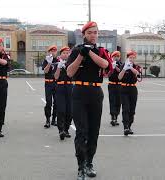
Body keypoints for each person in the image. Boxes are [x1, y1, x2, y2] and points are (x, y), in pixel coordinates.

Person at [66, 21, 111, 180]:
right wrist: (81, 55)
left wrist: (90, 53)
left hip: (95, 92)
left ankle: (89, 163)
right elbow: (70, 72)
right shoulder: (76, 50)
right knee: (82, 131)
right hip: (79, 92)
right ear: (84, 34)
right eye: (90, 32)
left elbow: (105, 65)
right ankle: (80, 167)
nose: (93, 35)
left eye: (95, 32)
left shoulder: (101, 51)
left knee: (94, 131)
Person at [118, 50, 142, 136]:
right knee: (126, 108)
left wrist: (131, 68)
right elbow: (119, 77)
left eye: (133, 58)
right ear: (127, 58)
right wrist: (124, 69)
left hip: (132, 89)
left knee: (132, 109)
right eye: (130, 57)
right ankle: (125, 127)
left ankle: (129, 125)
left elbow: (138, 75)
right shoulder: (123, 65)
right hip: (124, 88)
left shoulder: (136, 66)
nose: (131, 59)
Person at [54, 46, 72, 140]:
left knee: (69, 110)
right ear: (60, 54)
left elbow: (73, 75)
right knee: (61, 109)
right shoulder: (57, 64)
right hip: (60, 87)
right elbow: (56, 77)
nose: (66, 54)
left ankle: (66, 129)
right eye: (64, 53)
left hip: (70, 87)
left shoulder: (72, 64)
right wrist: (59, 67)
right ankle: (61, 130)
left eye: (68, 53)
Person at [42, 45, 58, 128]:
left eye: (54, 51)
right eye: (51, 51)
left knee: (57, 102)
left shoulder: (58, 60)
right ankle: (48, 119)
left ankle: (54, 119)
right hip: (48, 83)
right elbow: (45, 71)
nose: (53, 52)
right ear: (49, 52)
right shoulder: (46, 60)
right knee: (49, 102)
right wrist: (49, 63)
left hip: (56, 83)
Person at [108, 51, 123, 126]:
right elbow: (107, 74)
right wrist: (112, 68)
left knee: (118, 101)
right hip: (112, 85)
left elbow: (121, 72)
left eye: (118, 56)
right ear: (112, 57)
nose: (116, 58)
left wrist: (116, 67)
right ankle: (112, 117)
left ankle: (116, 117)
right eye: (114, 56)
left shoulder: (121, 64)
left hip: (119, 85)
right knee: (112, 100)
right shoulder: (109, 64)